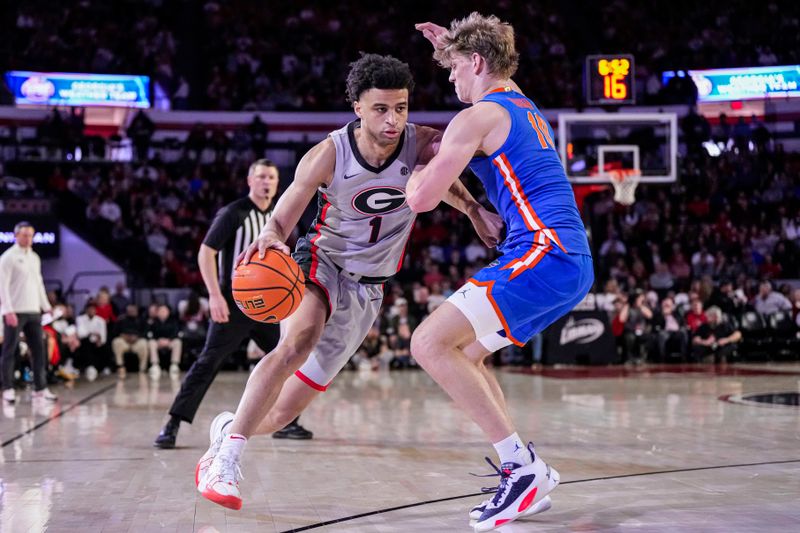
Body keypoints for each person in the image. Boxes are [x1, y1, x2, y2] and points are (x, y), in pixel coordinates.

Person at [197, 53, 499, 510]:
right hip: (322, 263)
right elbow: (284, 214)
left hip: (370, 289)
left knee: (281, 415)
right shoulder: (329, 153)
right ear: (357, 106)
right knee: (296, 344)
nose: (393, 119)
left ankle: (225, 431)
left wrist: (475, 209)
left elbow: (449, 177)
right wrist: (272, 236)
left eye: (401, 107)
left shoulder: (420, 143)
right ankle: (227, 462)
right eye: (381, 109)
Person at [406, 14, 594, 530]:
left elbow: (421, 200)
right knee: (464, 355)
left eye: (454, 70)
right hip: (565, 258)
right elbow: (489, 68)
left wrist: (413, 174)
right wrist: (453, 48)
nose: (449, 79)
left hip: (543, 252)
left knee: (428, 344)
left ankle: (522, 469)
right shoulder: (522, 104)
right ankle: (524, 474)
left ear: (478, 63)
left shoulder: (477, 118)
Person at [153, 159, 312, 448]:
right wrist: (214, 295)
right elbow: (205, 253)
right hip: (234, 302)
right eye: (261, 176)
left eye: (272, 177)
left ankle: (288, 421)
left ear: (278, 183)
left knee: (288, 358)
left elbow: (296, 258)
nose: (267, 182)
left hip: (272, 305)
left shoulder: (284, 216)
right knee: (208, 361)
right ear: (250, 180)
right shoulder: (233, 212)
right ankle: (172, 423)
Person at [0, 221, 58, 403]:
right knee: (10, 350)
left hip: (33, 310)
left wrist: (46, 305)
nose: (28, 238)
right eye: (24, 235)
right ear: (16, 236)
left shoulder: (34, 257)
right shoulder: (8, 257)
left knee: (39, 350)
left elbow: (39, 283)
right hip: (15, 311)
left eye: (30, 235)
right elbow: (2, 286)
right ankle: (7, 389)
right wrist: (8, 310)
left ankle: (40, 388)